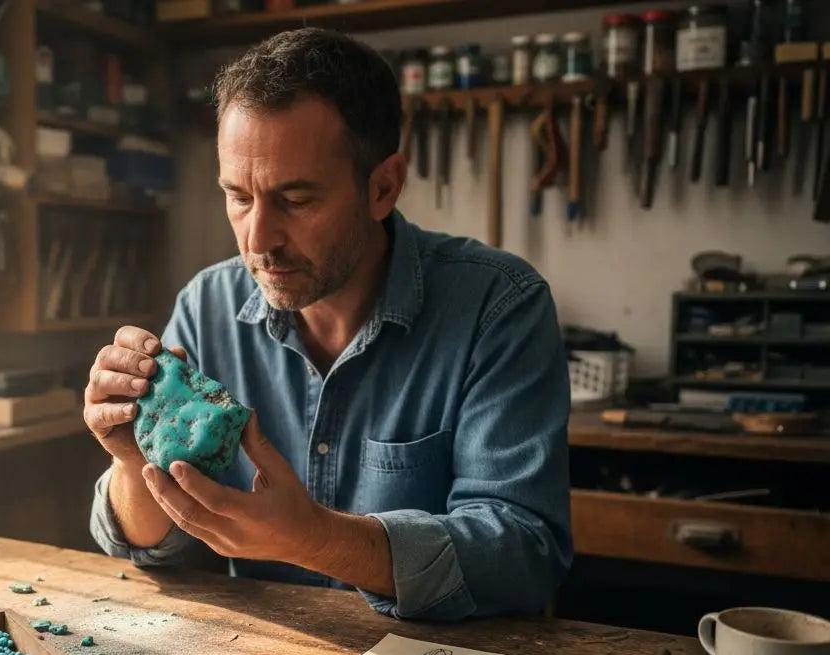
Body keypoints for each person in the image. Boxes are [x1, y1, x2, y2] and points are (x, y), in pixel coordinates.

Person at [83, 28, 571, 621]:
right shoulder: (206, 307)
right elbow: (152, 548)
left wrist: (315, 539)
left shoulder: (499, 306)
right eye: (238, 196)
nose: (257, 240)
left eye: (295, 199)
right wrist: (135, 463)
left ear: (383, 186)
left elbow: (524, 554)